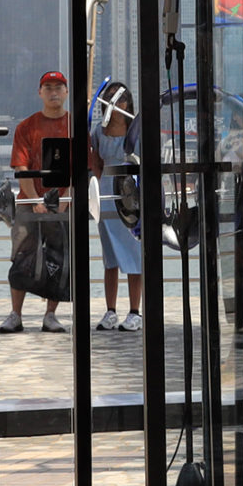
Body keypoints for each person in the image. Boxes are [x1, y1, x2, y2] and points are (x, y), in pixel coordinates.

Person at [3, 70, 94, 334]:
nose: (53, 92)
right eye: (48, 88)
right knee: (22, 255)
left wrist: (64, 199)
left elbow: (82, 168)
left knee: (59, 257)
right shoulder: (27, 126)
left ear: (66, 92)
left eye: (58, 87)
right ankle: (15, 314)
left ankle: (50, 315)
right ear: (40, 93)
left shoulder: (76, 127)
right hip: (28, 201)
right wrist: (34, 200)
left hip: (64, 203)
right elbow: (20, 166)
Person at [92, 81, 145, 331]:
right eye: (111, 97)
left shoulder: (137, 129)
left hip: (130, 197)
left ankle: (135, 311)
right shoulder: (98, 131)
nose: (116, 102)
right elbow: (95, 163)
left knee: (134, 255)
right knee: (109, 258)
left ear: (128, 102)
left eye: (121, 98)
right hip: (105, 198)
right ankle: (110, 311)